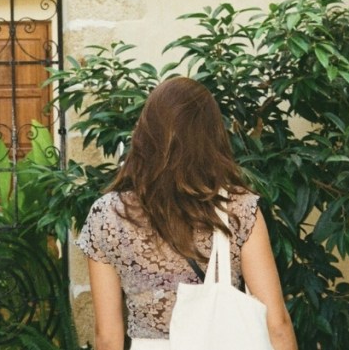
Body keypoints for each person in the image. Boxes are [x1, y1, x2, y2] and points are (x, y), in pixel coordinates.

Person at [76, 76, 297, 350]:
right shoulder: (238, 208)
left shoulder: (108, 215)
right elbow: (276, 324)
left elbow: (108, 338)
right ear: (212, 135)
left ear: (145, 132)